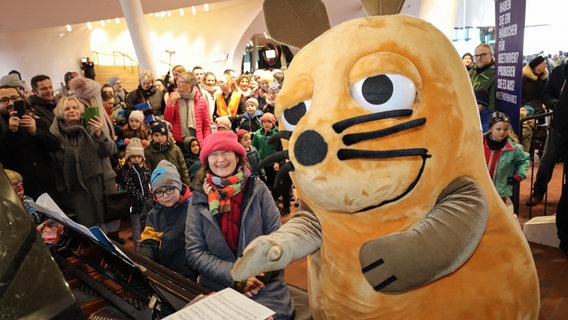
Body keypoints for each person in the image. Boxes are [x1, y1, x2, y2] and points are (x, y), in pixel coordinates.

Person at [185, 131, 294, 319]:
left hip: (263, 284)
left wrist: (252, 278)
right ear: (206, 161)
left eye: (226, 152)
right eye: (213, 154)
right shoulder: (199, 198)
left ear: (237, 156)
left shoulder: (257, 189)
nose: (220, 159)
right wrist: (236, 277)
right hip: (219, 283)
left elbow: (277, 239)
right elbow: (195, 252)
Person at [49, 95, 118, 228]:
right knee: (87, 227)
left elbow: (110, 151)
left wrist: (100, 134)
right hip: (75, 188)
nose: (72, 110)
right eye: (67, 108)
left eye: (75, 107)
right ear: (60, 113)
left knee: (107, 222)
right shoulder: (55, 135)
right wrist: (62, 191)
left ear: (80, 110)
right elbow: (55, 165)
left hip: (99, 183)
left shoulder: (91, 127)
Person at [0, 75, 60, 200]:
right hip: (19, 193)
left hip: (46, 188)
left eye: (14, 98)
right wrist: (10, 132)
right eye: (4, 100)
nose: (10, 103)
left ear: (21, 98)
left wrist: (35, 131)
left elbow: (55, 145)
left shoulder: (35, 119)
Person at [140, 159, 197, 279]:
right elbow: (149, 242)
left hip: (191, 274)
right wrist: (144, 259)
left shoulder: (194, 208)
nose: (165, 196)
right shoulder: (153, 215)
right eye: (159, 192)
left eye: (169, 189)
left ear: (178, 186)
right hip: (166, 272)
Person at [526, 62, 566, 207]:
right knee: (547, 159)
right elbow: (546, 94)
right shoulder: (558, 71)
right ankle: (538, 191)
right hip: (557, 126)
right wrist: (556, 104)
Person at [483, 111, 530, 208]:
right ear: (491, 129)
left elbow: (524, 160)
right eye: (498, 129)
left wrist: (519, 175)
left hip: (500, 192)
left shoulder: (513, 148)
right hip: (480, 189)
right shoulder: (479, 143)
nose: (502, 132)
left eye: (505, 129)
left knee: (498, 217)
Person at [117, 138, 152, 251]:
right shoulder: (126, 171)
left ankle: (149, 247)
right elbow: (131, 188)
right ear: (128, 158)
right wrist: (142, 199)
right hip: (135, 204)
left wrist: (149, 199)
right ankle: (139, 250)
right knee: (136, 227)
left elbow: (149, 183)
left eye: (138, 156)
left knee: (148, 225)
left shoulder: (146, 168)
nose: (136, 159)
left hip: (148, 204)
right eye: (133, 157)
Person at [164, 71, 211, 148]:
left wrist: (206, 141)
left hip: (196, 142)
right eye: (177, 81)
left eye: (181, 82)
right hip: (178, 142)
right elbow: (168, 120)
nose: (178, 84)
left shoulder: (201, 100)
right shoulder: (173, 97)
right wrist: (171, 103)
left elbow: (206, 125)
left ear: (190, 84)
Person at [144, 120, 190, 185]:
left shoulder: (175, 149)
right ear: (152, 137)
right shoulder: (148, 152)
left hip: (177, 182)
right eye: (156, 135)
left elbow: (183, 168)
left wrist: (187, 185)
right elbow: (149, 172)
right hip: (159, 185)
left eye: (162, 135)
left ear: (167, 135)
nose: (159, 138)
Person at [471, 44, 496, 112]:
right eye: (476, 55)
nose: (479, 58)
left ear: (491, 56)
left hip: (481, 117)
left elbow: (492, 107)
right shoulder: (472, 72)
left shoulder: (495, 76)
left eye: (483, 55)